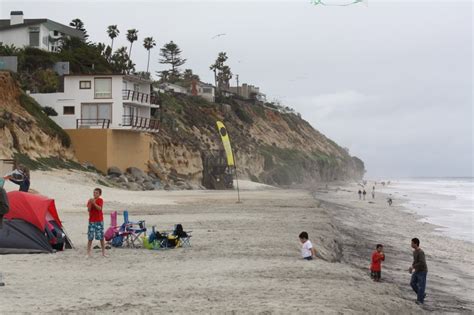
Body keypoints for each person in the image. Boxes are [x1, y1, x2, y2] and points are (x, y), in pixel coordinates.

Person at [86, 188, 106, 257]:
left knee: (101, 237)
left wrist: (94, 203)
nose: (95, 194)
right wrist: (91, 203)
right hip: (91, 221)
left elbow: (99, 208)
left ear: (100, 194)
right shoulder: (90, 200)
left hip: (99, 221)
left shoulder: (100, 200)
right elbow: (88, 210)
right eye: (94, 192)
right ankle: (88, 253)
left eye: (96, 193)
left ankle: (103, 253)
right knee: (90, 237)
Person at [409, 238, 428, 305]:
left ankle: (420, 301)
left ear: (416, 244)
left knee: (421, 286)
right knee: (412, 283)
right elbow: (415, 261)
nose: (411, 244)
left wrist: (413, 267)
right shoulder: (414, 252)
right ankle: (422, 295)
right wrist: (411, 267)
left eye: (412, 243)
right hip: (417, 270)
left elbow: (422, 262)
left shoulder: (421, 252)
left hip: (422, 271)